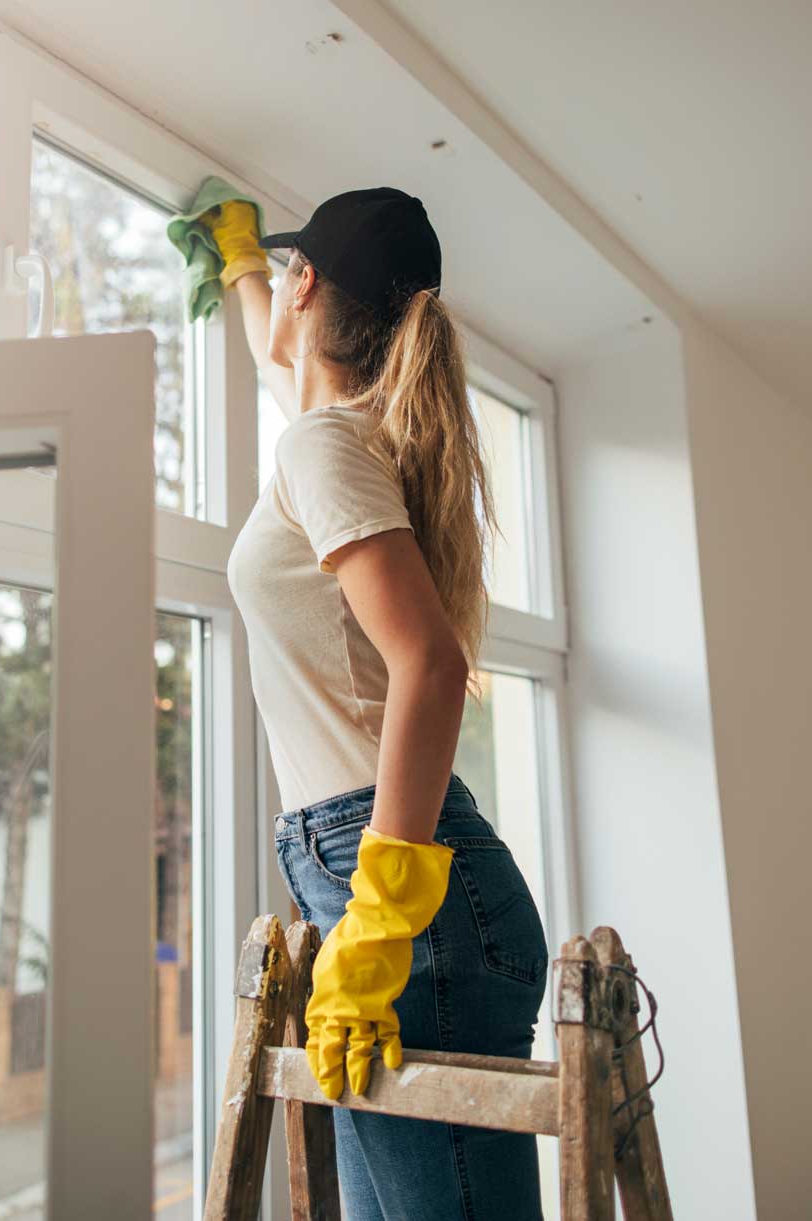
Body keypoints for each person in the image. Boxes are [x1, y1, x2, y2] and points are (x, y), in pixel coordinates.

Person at [206, 187, 549, 1220]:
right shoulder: (339, 438)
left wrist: (380, 916)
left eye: (277, 274)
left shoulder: (325, 448)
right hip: (400, 885)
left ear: (305, 286)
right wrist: (234, 271)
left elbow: (432, 667)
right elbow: (288, 370)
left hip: (402, 893)